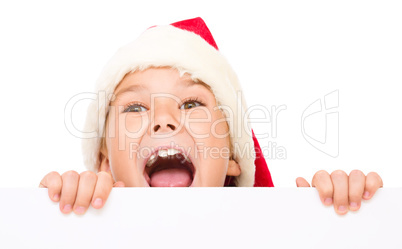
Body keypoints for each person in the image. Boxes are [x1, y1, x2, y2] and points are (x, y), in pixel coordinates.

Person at [39, 17, 383, 216]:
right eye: (134, 108)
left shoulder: (285, 232)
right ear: (103, 164)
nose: (163, 119)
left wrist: (345, 219)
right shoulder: (80, 227)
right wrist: (57, 217)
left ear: (233, 155)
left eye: (191, 104)